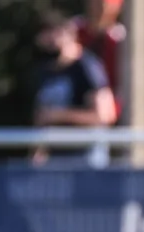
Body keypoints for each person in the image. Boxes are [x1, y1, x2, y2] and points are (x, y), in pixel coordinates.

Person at [31, 9, 118, 167]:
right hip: (55, 158)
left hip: (85, 157)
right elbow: (42, 117)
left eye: (53, 35)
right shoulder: (46, 70)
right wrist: (38, 150)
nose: (49, 42)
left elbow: (105, 115)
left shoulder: (87, 67)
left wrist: (58, 116)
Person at [73, 0, 126, 122]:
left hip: (109, 105)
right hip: (75, 99)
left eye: (105, 4)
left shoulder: (119, 38)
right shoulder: (75, 30)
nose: (100, 8)